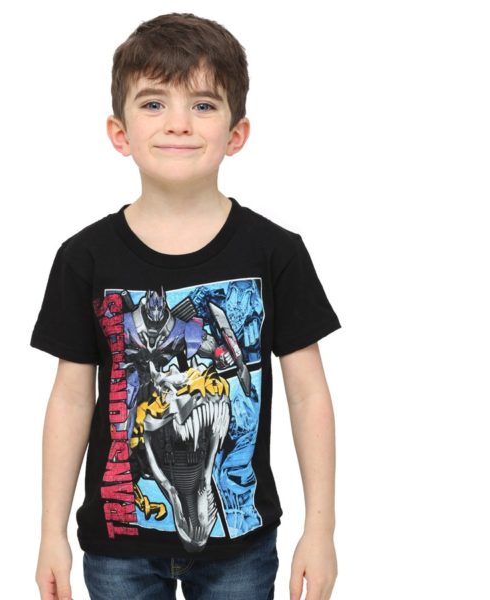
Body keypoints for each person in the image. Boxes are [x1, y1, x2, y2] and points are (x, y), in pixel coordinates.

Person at [30, 12, 341, 600]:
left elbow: (308, 395)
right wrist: (51, 532)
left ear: (236, 133)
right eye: (153, 103)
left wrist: (320, 531)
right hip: (117, 545)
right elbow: (71, 397)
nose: (178, 123)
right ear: (119, 132)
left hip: (242, 548)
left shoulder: (276, 252)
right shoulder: (84, 258)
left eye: (202, 104)